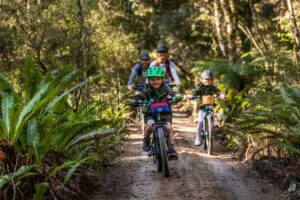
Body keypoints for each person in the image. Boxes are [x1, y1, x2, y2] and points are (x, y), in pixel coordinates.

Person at [135, 67, 181, 159]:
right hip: (150, 113)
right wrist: (136, 100)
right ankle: (146, 140)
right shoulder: (146, 89)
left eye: (158, 79)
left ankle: (171, 149)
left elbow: (172, 94)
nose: (155, 81)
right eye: (152, 79)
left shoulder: (166, 88)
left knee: (169, 128)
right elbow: (140, 96)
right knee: (150, 125)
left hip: (165, 113)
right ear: (148, 80)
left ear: (162, 79)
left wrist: (177, 96)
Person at [191, 70, 226, 146]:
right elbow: (195, 92)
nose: (207, 81)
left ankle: (211, 130)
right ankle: (198, 137)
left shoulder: (213, 88)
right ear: (202, 79)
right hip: (202, 108)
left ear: (211, 80)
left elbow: (218, 92)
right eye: (205, 80)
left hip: (210, 106)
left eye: (209, 80)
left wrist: (221, 95)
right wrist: (192, 96)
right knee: (200, 121)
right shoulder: (199, 87)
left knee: (213, 119)